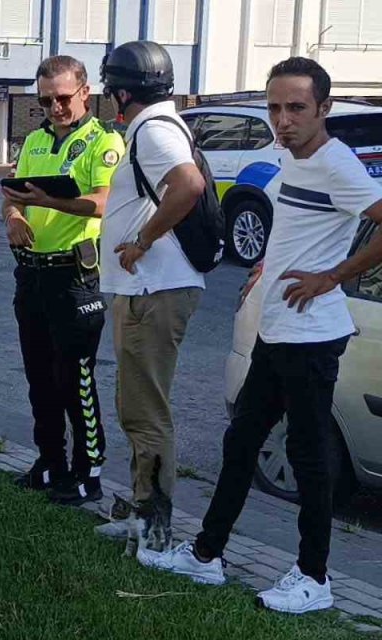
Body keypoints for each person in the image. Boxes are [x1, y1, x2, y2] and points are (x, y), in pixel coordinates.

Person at [147, 57, 382, 615]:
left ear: (323, 109)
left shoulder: (336, 164)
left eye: (297, 108)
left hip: (313, 337)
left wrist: (332, 277)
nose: (284, 118)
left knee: (308, 458)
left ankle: (314, 578)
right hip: (277, 330)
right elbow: (299, 223)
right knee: (241, 445)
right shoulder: (287, 157)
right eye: (275, 107)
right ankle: (206, 556)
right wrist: (268, 266)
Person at [95, 41, 207, 554]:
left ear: (120, 91)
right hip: (146, 290)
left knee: (147, 412)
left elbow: (188, 184)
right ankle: (142, 511)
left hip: (154, 290)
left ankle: (157, 531)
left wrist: (141, 241)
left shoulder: (155, 130)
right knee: (135, 407)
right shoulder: (155, 125)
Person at [2, 56, 126, 506]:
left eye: (62, 98)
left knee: (75, 377)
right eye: (45, 100)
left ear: (85, 93)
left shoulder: (103, 142)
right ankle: (49, 461)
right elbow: (12, 192)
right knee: (39, 376)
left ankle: (87, 472)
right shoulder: (34, 139)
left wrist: (46, 199)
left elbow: (102, 202)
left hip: (74, 276)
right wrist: (15, 214)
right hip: (31, 273)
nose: (54, 107)